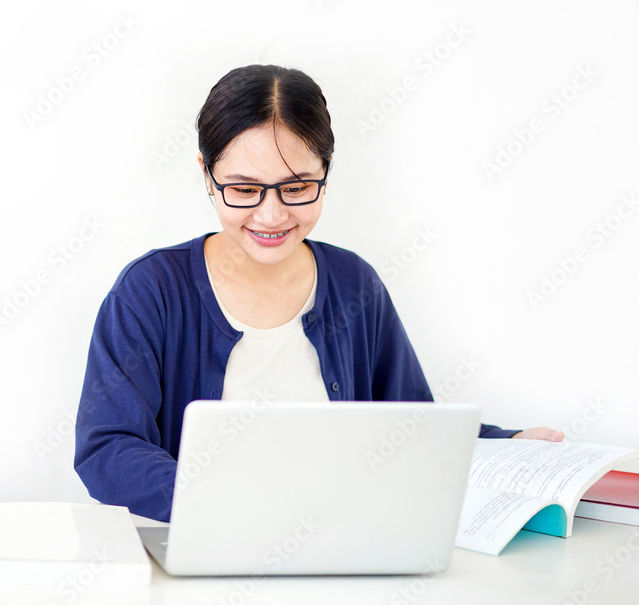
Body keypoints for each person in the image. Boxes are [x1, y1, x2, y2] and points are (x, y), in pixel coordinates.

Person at [73, 64, 564, 523]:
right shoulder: (151, 290)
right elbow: (108, 446)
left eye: (297, 187)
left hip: (340, 550)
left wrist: (508, 445)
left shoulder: (355, 284)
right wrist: (224, 503)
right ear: (207, 175)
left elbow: (411, 425)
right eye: (244, 189)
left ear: (326, 174)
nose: (271, 216)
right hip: (205, 556)